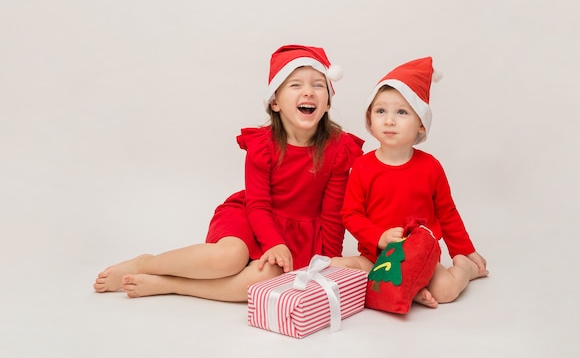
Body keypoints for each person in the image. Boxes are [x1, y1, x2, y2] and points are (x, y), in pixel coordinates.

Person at [93, 45, 364, 301]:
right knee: (230, 257)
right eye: (295, 85)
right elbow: (258, 204)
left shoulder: (338, 149)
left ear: (327, 103)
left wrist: (329, 262)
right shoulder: (263, 145)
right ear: (275, 103)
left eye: (318, 85)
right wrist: (273, 242)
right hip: (253, 216)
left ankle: (172, 285)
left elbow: (332, 214)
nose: (308, 92)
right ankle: (147, 263)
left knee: (266, 277)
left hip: (300, 234)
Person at [331, 56, 488, 308]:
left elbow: (447, 213)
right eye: (381, 111)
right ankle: (408, 288)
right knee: (339, 265)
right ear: (370, 119)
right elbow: (351, 214)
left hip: (420, 257)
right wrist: (378, 236)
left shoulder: (430, 167)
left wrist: (464, 251)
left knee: (446, 290)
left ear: (421, 126)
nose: (389, 120)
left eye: (402, 112)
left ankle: (465, 272)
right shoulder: (362, 166)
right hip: (376, 256)